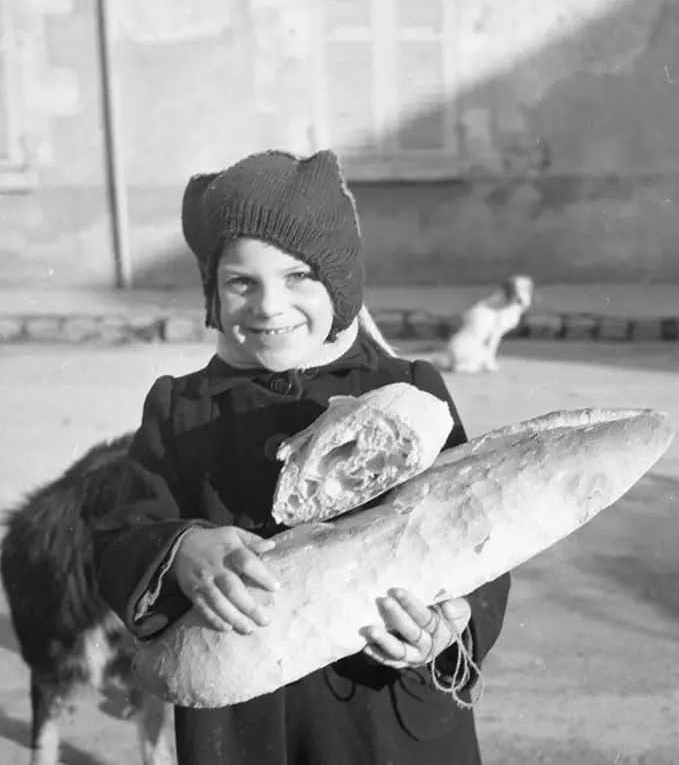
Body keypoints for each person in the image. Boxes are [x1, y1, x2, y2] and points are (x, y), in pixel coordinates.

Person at [93, 148, 511, 765]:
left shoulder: (407, 390)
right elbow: (119, 540)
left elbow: (478, 532)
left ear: (339, 284)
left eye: (299, 277)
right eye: (241, 282)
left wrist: (450, 623)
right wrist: (181, 551)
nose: (268, 306)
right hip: (244, 731)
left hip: (389, 717)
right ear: (212, 291)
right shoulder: (180, 410)